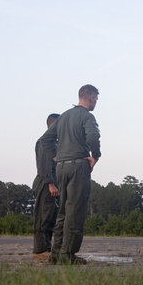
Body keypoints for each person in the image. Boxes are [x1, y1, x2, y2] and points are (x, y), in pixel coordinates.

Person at [38, 84, 101, 265]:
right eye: (96, 99)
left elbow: (45, 140)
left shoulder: (64, 116)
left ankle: (56, 254)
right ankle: (68, 255)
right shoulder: (87, 116)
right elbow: (93, 137)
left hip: (61, 168)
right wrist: (95, 156)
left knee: (63, 211)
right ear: (90, 98)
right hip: (77, 166)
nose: (96, 102)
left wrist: (56, 157)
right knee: (75, 209)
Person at [31, 112, 60, 262]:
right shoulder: (45, 141)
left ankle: (46, 248)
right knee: (44, 217)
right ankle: (40, 250)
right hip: (46, 184)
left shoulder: (54, 143)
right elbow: (44, 165)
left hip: (52, 184)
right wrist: (51, 183)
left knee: (50, 218)